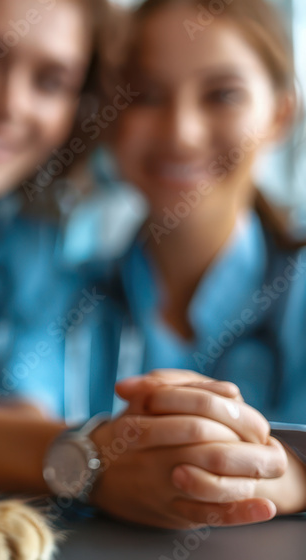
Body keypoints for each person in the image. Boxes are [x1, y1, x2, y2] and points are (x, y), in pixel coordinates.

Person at [0, 0, 306, 529]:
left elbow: (31, 411)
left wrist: (273, 470)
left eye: (52, 81)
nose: (8, 105)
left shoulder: (33, 250)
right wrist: (86, 455)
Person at [91, 0, 306, 525]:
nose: (181, 132)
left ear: (280, 114)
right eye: (145, 96)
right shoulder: (62, 295)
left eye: (222, 94)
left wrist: (297, 475)